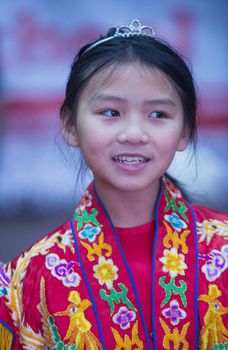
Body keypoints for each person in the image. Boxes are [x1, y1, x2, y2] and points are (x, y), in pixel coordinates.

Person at [0, 19, 227, 350]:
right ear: (70, 126)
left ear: (185, 132)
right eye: (110, 112)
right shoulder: (29, 279)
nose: (133, 133)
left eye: (158, 115)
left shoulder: (222, 248)